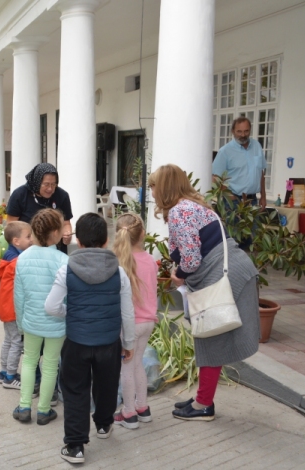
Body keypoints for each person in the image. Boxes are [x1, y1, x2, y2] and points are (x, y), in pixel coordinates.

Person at [149, 164, 259, 422]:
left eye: (153, 185)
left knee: (211, 340)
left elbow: (190, 258)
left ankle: (203, 406)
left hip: (224, 275)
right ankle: (202, 398)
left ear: (164, 187)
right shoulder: (193, 205)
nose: (151, 191)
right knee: (212, 338)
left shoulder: (179, 211)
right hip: (233, 270)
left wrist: (179, 275)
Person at [45, 212, 135, 464]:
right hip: (108, 343)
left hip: (76, 342)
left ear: (79, 242)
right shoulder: (120, 273)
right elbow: (127, 313)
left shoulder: (67, 269)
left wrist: (69, 313)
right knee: (107, 385)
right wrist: (128, 343)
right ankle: (104, 425)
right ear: (105, 241)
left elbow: (51, 307)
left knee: (75, 391)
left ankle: (75, 447)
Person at [12, 209, 68, 425]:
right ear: (55, 233)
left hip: (31, 321)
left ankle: (24, 406)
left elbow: (19, 296)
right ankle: (44, 410)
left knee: (28, 361)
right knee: (51, 365)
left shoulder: (22, 258)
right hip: (56, 324)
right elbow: (67, 298)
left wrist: (20, 324)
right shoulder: (63, 260)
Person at [112, 213, 158, 429]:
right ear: (143, 235)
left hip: (129, 325)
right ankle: (143, 407)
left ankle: (128, 413)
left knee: (126, 368)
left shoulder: (119, 263)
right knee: (138, 362)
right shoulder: (150, 260)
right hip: (149, 321)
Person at [212, 116, 267, 249]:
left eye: (246, 131)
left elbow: (261, 173)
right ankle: (234, 269)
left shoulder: (257, 146)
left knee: (253, 240)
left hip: (252, 201)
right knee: (235, 241)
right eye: (239, 131)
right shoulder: (225, 151)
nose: (243, 135)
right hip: (233, 202)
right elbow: (214, 178)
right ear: (233, 131)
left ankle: (249, 269)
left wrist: (263, 197)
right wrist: (230, 197)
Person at [0, 221, 33, 390]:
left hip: (4, 306)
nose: (32, 240)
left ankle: (3, 372)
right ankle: (10, 377)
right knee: (17, 342)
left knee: (9, 340)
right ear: (16, 241)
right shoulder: (18, 261)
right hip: (13, 308)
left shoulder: (8, 256)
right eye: (28, 237)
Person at [6, 163, 73, 254]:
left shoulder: (62, 196)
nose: (50, 189)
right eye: (46, 184)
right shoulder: (20, 195)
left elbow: (66, 223)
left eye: (53, 184)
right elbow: (12, 226)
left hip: (55, 250)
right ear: (37, 182)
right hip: (27, 250)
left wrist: (67, 234)